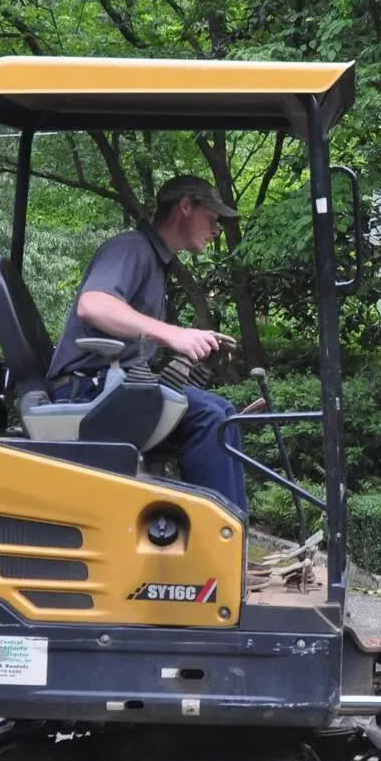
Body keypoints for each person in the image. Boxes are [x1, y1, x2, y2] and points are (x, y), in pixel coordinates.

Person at [47, 175, 247, 512]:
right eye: (212, 219)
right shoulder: (131, 247)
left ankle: (234, 531)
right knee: (209, 419)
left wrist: (192, 341)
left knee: (224, 412)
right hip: (86, 391)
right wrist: (173, 334)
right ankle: (215, 543)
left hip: (115, 387)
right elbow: (93, 305)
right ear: (186, 207)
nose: (216, 231)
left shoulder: (156, 261)